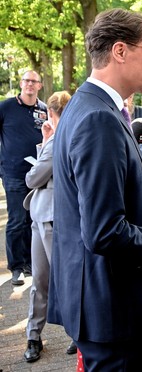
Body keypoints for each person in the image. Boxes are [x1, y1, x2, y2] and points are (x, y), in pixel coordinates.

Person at [49, 8, 142, 371]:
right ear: (120, 51)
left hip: (105, 304)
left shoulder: (91, 106)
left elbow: (96, 200)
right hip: (112, 309)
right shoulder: (99, 117)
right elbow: (102, 231)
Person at [21, 91, 75, 362]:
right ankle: (34, 335)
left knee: (57, 280)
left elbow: (32, 178)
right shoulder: (54, 140)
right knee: (41, 279)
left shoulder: (59, 140)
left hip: (52, 217)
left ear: (52, 114)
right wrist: (44, 141)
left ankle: (75, 333)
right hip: (41, 215)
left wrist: (46, 143)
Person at [0, 70, 46, 286]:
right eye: (26, 81)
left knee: (34, 220)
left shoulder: (43, 110)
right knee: (17, 220)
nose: (29, 84)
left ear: (40, 85)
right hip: (14, 173)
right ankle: (17, 267)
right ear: (21, 83)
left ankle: (30, 264)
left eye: (33, 81)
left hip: (38, 175)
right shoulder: (6, 107)